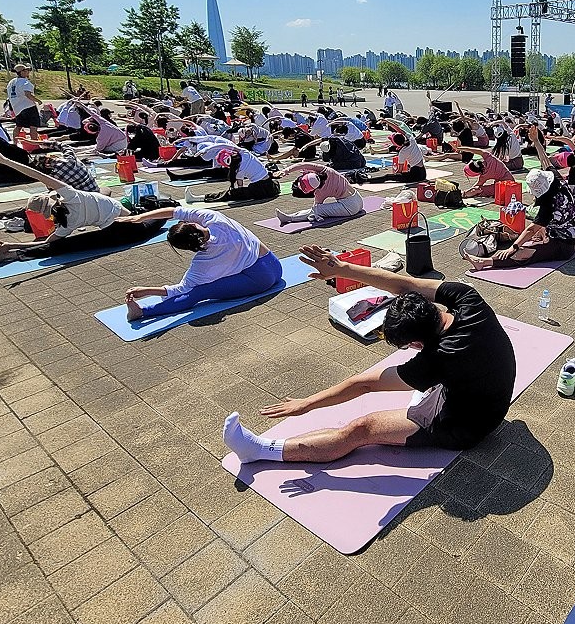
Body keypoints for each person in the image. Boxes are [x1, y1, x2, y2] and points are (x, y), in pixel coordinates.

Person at [222, 246, 516, 459]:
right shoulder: (467, 299)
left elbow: (364, 384)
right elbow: (405, 283)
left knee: (361, 429)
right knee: (433, 381)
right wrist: (341, 269)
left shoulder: (436, 360)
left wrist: (306, 404)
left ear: (416, 343)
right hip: (488, 394)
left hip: (467, 427)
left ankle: (260, 450)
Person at [0, 146, 169, 264]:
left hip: (116, 230)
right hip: (129, 230)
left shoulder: (65, 223)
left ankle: (10, 255)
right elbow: (37, 174)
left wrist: (11, 244)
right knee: (163, 214)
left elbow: (47, 243)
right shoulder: (71, 196)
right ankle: (9, 254)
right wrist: (4, 160)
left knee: (70, 244)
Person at [122, 206, 282, 320]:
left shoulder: (204, 261)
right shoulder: (214, 217)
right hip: (274, 265)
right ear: (192, 224)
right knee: (233, 264)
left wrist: (147, 290)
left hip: (261, 281)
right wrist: (142, 217)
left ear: (187, 248)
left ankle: (142, 312)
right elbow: (173, 211)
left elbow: (182, 289)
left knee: (199, 292)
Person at [463, 130, 575, 270]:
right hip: (560, 231)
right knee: (524, 237)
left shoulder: (549, 204)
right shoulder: (556, 181)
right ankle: (536, 238)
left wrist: (512, 248)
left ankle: (485, 262)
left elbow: (531, 229)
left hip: (565, 245)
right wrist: (536, 141)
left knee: (523, 253)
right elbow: (545, 161)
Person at [186, 145, 279, 203]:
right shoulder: (245, 153)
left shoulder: (239, 170)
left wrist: (238, 193)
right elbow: (225, 145)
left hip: (261, 190)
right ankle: (198, 198)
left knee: (229, 194)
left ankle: (198, 198)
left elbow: (240, 186)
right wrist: (208, 148)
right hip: (270, 185)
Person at [275, 164, 364, 225]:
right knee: (318, 210)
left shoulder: (320, 192)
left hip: (349, 207)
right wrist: (286, 171)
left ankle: (289, 218)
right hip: (358, 199)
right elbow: (304, 165)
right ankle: (292, 217)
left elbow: (316, 207)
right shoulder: (327, 170)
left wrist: (286, 171)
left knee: (317, 210)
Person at [7, 64, 44, 140]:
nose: (28, 72)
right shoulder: (25, 82)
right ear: (22, 72)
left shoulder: (11, 82)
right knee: (33, 126)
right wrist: (38, 101)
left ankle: (15, 143)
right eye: (27, 70)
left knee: (18, 126)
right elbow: (28, 94)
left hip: (17, 108)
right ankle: (34, 142)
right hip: (28, 106)